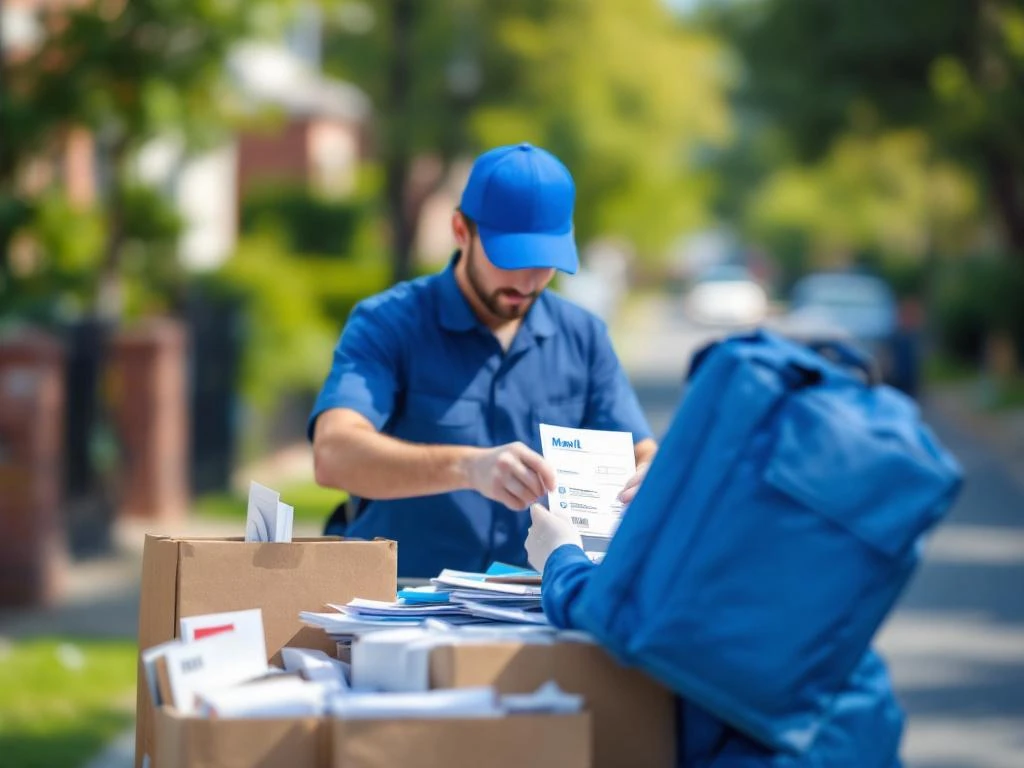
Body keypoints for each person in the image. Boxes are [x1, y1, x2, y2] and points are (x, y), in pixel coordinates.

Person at [309, 142, 657, 577]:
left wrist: (651, 474)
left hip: (536, 608)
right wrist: (470, 467)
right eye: (510, 257)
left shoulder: (584, 336)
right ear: (460, 230)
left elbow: (640, 450)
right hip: (403, 604)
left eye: (546, 263)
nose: (529, 281)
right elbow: (333, 454)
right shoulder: (388, 323)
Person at [525, 502, 905, 767]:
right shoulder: (816, 544)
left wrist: (560, 555)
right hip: (860, 734)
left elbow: (613, 611)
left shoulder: (713, 563)